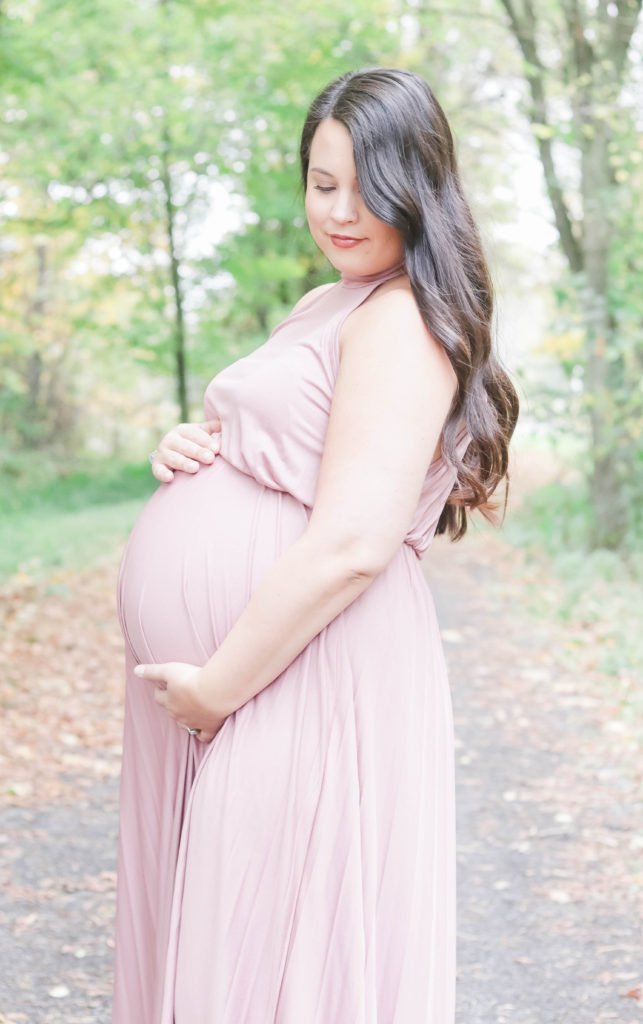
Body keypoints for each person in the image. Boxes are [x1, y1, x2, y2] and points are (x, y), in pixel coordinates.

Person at [113, 67, 519, 1023]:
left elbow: (350, 542)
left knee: (270, 951)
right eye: (318, 181)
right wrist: (193, 444)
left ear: (417, 185)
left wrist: (217, 689)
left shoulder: (402, 319)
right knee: (233, 943)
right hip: (265, 672)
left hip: (302, 674)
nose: (337, 212)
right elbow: (291, 450)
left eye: (363, 186)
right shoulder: (329, 302)